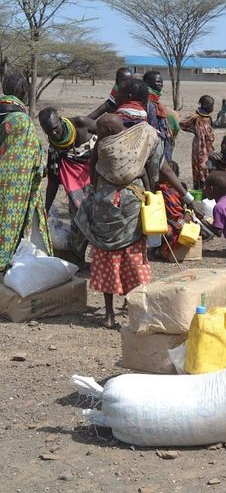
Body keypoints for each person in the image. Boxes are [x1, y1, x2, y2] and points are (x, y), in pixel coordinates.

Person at [75, 81, 196, 329]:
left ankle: (109, 313)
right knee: (134, 255)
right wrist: (181, 196)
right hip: (133, 200)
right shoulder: (149, 132)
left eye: (119, 91)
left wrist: (97, 188)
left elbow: (93, 162)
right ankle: (135, 309)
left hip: (104, 200)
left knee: (106, 255)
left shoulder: (107, 125)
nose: (115, 94)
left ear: (128, 95)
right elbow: (157, 169)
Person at [0, 73, 51, 271]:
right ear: (23, 91)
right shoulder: (21, 120)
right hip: (14, 184)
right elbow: (31, 157)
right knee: (11, 221)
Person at [38, 107, 96, 265]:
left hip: (96, 178)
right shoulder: (54, 151)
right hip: (75, 189)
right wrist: (46, 209)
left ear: (60, 119)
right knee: (78, 221)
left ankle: (102, 262)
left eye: (55, 128)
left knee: (99, 222)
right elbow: (52, 182)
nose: (53, 134)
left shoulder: (81, 124)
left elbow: (107, 136)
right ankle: (78, 259)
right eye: (48, 132)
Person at [180, 95, 216, 189]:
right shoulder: (195, 117)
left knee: (209, 165)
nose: (212, 108)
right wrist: (194, 131)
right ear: (204, 105)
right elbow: (182, 123)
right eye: (211, 105)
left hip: (208, 147)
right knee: (200, 166)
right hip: (199, 146)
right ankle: (200, 187)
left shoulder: (209, 118)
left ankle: (207, 187)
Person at [143, 71, 174, 161]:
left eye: (161, 82)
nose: (161, 84)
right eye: (158, 82)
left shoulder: (156, 103)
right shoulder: (145, 103)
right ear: (147, 83)